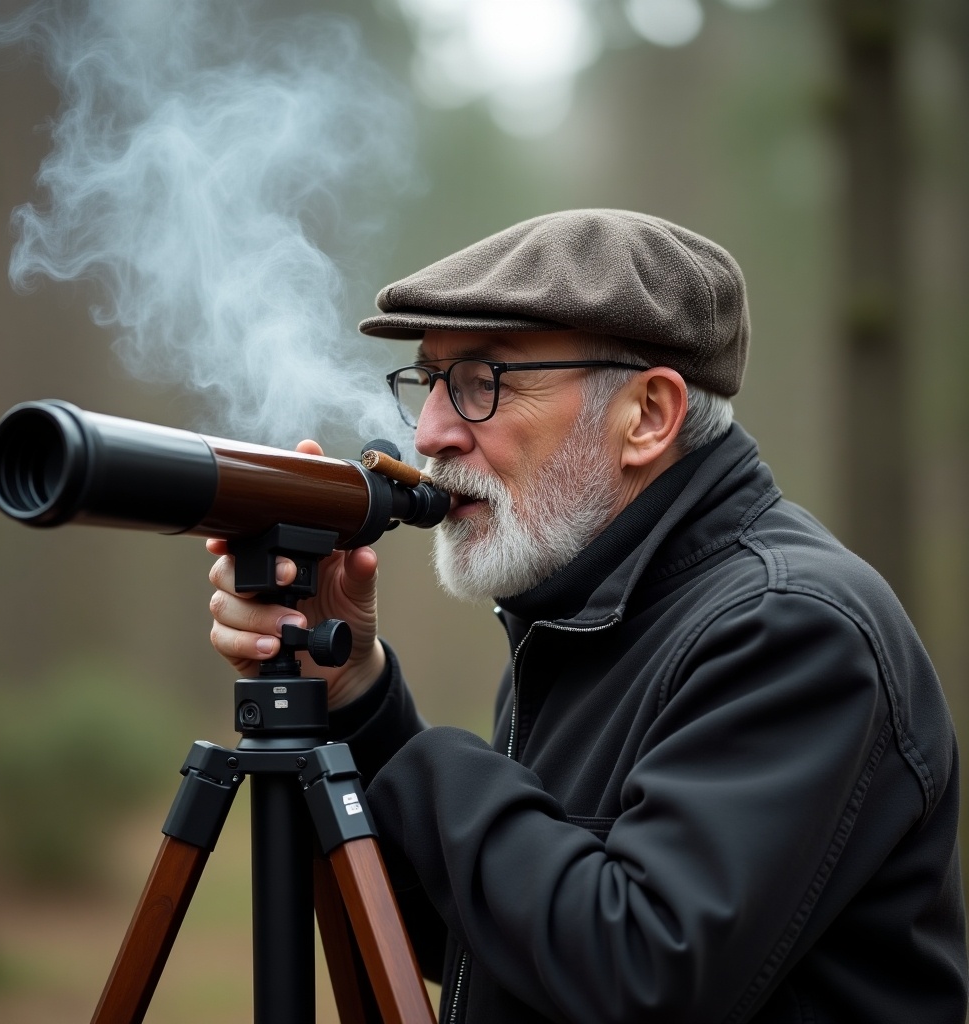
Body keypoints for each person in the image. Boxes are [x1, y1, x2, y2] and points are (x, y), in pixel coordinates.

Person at [208, 209, 968, 1023]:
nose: (431, 432)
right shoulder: (583, 612)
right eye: (428, 381)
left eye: (481, 381)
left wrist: (430, 765)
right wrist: (355, 692)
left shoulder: (792, 629)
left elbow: (637, 976)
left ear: (646, 415)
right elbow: (488, 941)